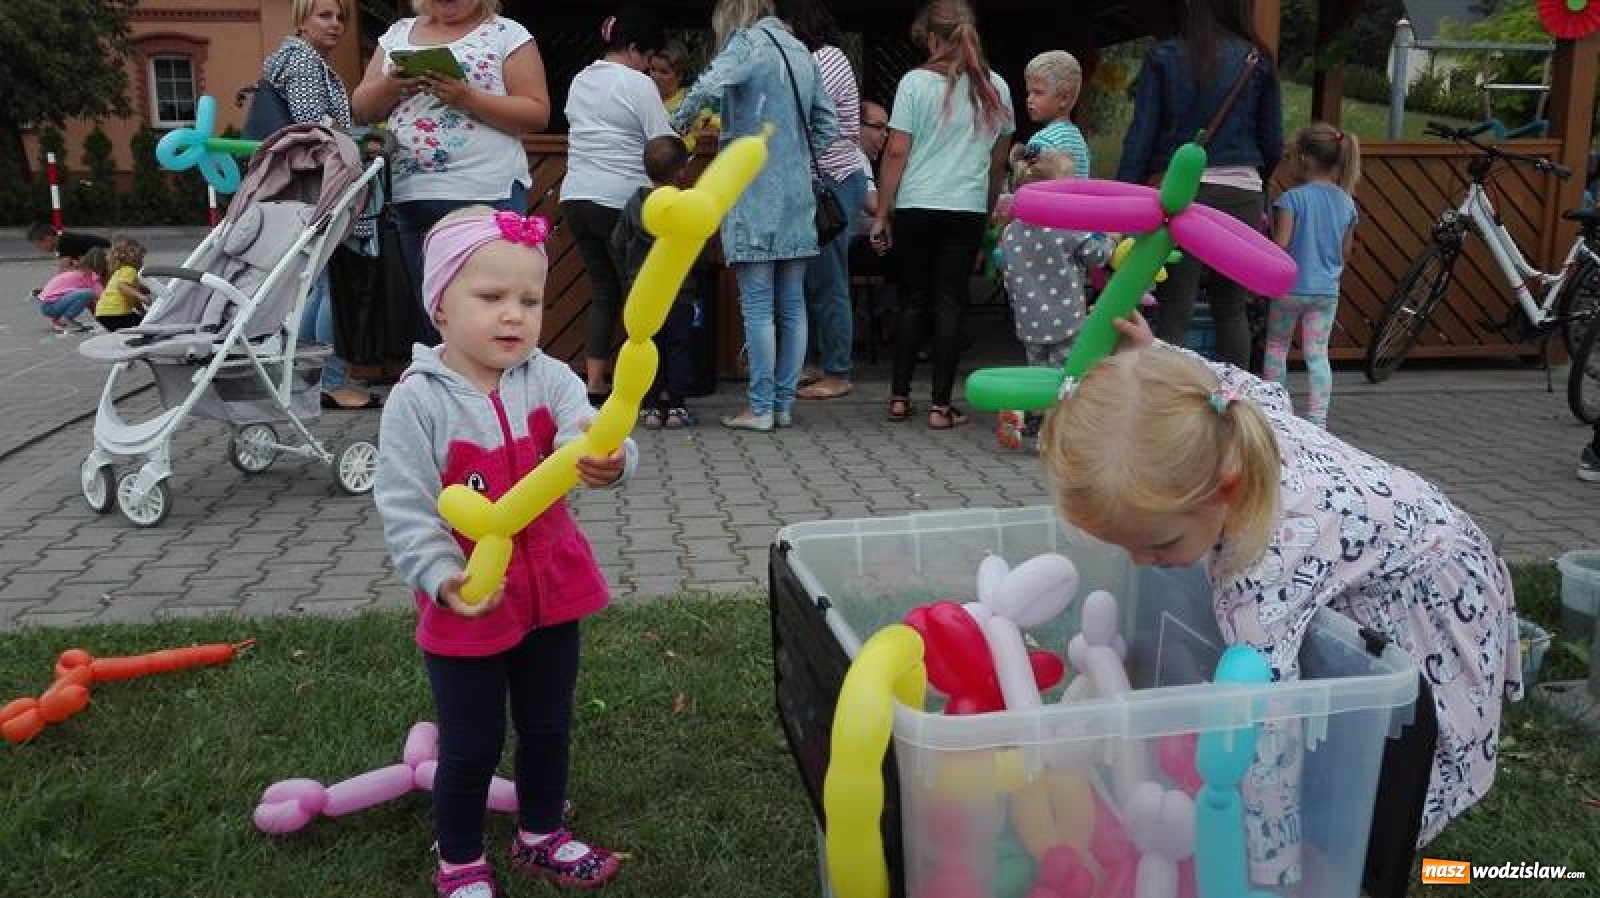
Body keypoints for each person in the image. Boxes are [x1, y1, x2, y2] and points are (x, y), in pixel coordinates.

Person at [1038, 311, 1521, 882]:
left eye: (1158, 543)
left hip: (1428, 593)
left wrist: (1274, 868)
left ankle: (1398, 863)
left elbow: (1268, 731)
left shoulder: (1260, 571)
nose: (1142, 562)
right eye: (1125, 547)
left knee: (1400, 769)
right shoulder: (1223, 421)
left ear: (1227, 490)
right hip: (1417, 538)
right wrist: (1155, 352)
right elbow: (1234, 388)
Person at [375, 206, 637, 898]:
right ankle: (459, 858)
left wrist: (614, 457)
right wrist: (442, 577)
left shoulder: (547, 379)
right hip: (469, 601)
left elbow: (592, 428)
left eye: (530, 300)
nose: (514, 316)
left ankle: (539, 834)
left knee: (547, 726)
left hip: (552, 590)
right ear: (440, 305)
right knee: (472, 744)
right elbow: (403, 507)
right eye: (490, 298)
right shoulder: (417, 402)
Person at [670, 0, 838, 432]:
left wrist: (678, 121)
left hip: (751, 189)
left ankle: (760, 407)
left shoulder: (745, 45)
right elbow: (828, 124)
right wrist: (798, 157)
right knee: (793, 306)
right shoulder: (802, 52)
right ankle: (782, 404)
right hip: (797, 193)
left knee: (759, 305)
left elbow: (709, 86)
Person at [351, 0, 551, 346]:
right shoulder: (398, 35)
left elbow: (536, 113)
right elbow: (361, 108)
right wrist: (392, 86)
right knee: (433, 308)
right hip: (413, 193)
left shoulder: (508, 34)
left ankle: (491, 393)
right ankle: (446, 391)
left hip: (488, 192)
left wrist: (467, 98)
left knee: (494, 300)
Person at [872, 0, 1015, 431]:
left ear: (933, 39)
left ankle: (898, 397)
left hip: (916, 203)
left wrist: (882, 212)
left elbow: (897, 150)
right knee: (950, 301)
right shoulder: (998, 88)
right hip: (965, 206)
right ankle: (940, 406)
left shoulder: (913, 83)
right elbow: (998, 161)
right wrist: (989, 208)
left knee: (912, 299)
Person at [1115, 0, 1282, 367]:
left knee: (1176, 308)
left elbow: (1140, 137)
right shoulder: (1257, 59)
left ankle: (1173, 405)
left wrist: (1124, 200)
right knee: (1231, 307)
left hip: (1181, 193)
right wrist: (1254, 181)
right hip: (1242, 190)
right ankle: (1233, 407)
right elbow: (1273, 143)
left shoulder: (1164, 56)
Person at [263, 0, 381, 410]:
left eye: (340, 18)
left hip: (307, 189)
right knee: (330, 287)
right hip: (321, 188)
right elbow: (314, 130)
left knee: (315, 285)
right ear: (301, 19)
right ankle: (329, 377)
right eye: (324, 16)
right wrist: (363, 140)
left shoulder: (292, 58)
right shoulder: (303, 61)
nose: (336, 25)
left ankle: (310, 375)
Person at [559, 5, 673, 404]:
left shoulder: (579, 80)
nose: (649, 65)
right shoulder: (637, 84)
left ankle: (594, 384)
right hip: (620, 199)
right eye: (649, 56)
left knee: (603, 291)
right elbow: (662, 143)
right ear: (636, 49)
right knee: (637, 293)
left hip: (575, 196)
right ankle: (636, 384)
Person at [994, 147, 1111, 450]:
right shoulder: (1067, 227)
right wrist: (1107, 238)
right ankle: (1053, 430)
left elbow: (1005, 271)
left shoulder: (1011, 232)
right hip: (1066, 315)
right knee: (1066, 374)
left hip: (1028, 317)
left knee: (1038, 371)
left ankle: (1027, 414)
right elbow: (1096, 257)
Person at [779, 0, 864, 404]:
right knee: (814, 278)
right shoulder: (818, 58)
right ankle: (815, 362)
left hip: (834, 182)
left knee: (830, 280)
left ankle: (838, 370)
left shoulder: (826, 58)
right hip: (819, 183)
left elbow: (802, 110)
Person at [1266, 123, 1361, 428]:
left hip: (1289, 289)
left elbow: (1281, 246)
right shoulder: (1346, 203)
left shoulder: (1292, 199)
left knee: (1277, 347)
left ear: (1304, 158)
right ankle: (1317, 421)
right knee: (1317, 355)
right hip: (1325, 292)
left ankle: (1276, 413)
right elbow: (1346, 251)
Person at [610, 136, 700, 429]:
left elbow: (617, 242)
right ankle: (676, 407)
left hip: (642, 292)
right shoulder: (685, 205)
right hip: (679, 293)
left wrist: (629, 275)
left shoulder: (634, 204)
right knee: (678, 349)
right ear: (682, 171)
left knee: (647, 349)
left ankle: (649, 407)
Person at [1021, 50, 1090, 178]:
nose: (1029, 99)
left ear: (1064, 99)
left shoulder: (1041, 141)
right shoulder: (1078, 140)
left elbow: (1029, 184)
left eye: (1038, 92)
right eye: (1028, 93)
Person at [34, 247, 104, 334]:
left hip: (47, 305)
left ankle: (59, 321)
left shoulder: (74, 273)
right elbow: (102, 298)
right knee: (87, 293)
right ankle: (66, 319)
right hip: (50, 305)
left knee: (83, 294)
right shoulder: (92, 277)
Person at [95, 237, 150, 332]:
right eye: (141, 258)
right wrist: (141, 296)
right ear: (134, 259)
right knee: (145, 327)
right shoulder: (130, 270)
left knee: (139, 321)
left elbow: (134, 301)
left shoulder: (119, 271)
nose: (142, 263)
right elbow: (122, 286)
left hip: (103, 314)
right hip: (117, 314)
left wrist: (144, 312)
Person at [27, 222, 108, 270]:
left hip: (107, 255)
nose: (40, 249)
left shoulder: (63, 243)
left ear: (47, 238)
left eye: (39, 245)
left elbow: (63, 270)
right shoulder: (64, 239)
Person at [649, 37, 691, 114]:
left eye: (664, 72)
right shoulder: (644, 97)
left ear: (679, 75)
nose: (655, 76)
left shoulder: (690, 102)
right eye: (653, 69)